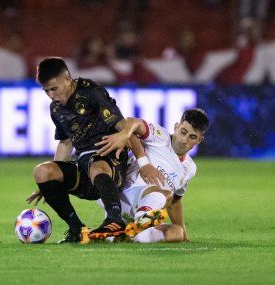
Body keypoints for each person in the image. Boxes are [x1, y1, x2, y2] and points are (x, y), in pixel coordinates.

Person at [26, 57, 163, 243]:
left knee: (96, 164)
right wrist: (50, 183)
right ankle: (77, 229)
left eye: (54, 88)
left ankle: (115, 221)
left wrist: (143, 161)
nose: (51, 95)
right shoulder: (56, 109)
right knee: (42, 171)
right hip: (83, 167)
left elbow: (123, 127)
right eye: (46, 91)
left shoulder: (91, 92)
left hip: (110, 163)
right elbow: (66, 143)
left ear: (67, 78)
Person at [95, 108, 209, 242]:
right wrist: (144, 162)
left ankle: (128, 235)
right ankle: (138, 223)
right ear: (176, 126)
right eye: (183, 132)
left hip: (148, 209)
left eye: (192, 137)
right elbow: (131, 122)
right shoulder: (160, 137)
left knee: (177, 232)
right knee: (165, 194)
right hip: (123, 197)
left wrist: (185, 236)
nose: (184, 140)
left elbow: (175, 202)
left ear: (200, 140)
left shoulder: (190, 168)